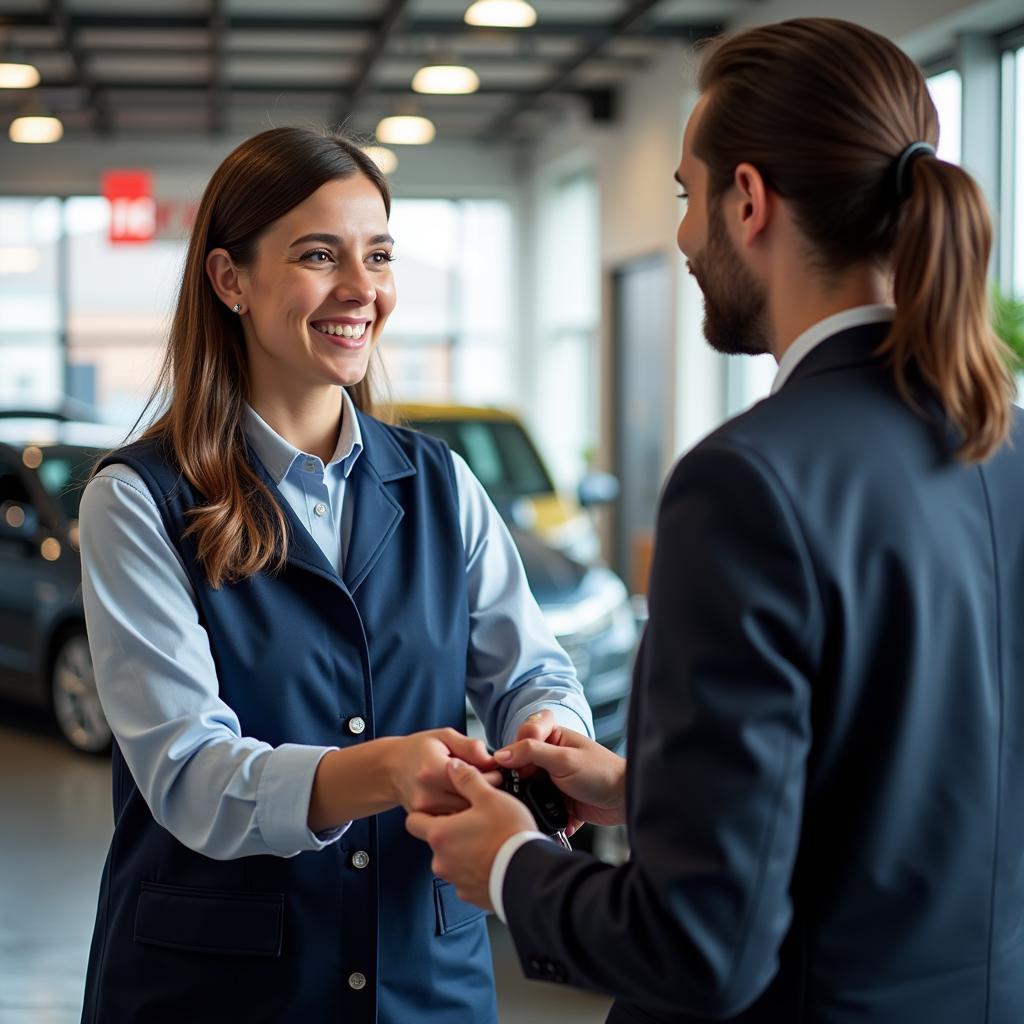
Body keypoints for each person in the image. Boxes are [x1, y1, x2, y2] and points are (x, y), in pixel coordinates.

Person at [407, 17, 1024, 1024]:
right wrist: (648, 788)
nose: (685, 238)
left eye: (687, 198)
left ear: (749, 201)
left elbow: (702, 947)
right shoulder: (1009, 449)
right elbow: (912, 798)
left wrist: (512, 866)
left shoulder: (745, 485)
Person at [77, 126, 594, 1024]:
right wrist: (386, 769)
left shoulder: (440, 481)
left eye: (379, 255)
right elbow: (190, 773)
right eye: (321, 255)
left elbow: (530, 670)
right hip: (213, 992)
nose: (363, 290)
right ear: (229, 279)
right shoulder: (137, 501)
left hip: (423, 985)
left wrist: (546, 728)